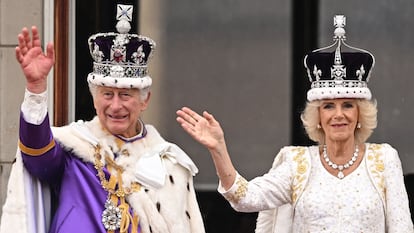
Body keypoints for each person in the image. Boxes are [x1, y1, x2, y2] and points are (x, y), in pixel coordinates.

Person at [176, 15, 414, 232]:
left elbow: (402, 228)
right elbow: (244, 198)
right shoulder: (297, 163)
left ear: (360, 114)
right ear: (318, 117)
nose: (338, 114)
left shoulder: (384, 160)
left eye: (348, 105)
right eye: (329, 106)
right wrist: (219, 149)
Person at [0, 4, 205, 233]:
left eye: (125, 95)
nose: (115, 106)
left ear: (144, 101)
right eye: (107, 94)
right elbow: (36, 157)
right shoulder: (74, 149)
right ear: (95, 99)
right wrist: (36, 88)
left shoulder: (170, 164)